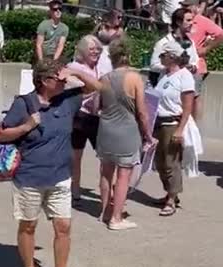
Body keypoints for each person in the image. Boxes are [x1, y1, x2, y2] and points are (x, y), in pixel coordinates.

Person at [0, 59, 101, 267]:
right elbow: (3, 135)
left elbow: (97, 87)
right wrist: (27, 126)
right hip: (30, 177)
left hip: (61, 177)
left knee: (63, 227)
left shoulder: (67, 99)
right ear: (45, 81)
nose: (65, 82)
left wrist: (74, 70)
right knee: (28, 225)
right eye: (60, 79)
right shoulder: (23, 104)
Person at [97, 40, 155, 230]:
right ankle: (116, 218)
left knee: (105, 173)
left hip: (105, 131)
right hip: (127, 132)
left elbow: (95, 106)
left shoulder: (104, 78)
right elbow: (142, 112)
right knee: (123, 176)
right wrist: (147, 135)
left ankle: (104, 211)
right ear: (128, 56)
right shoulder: (135, 78)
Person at [153, 41, 195, 217]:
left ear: (172, 57)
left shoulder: (184, 76)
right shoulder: (164, 74)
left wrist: (180, 129)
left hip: (173, 123)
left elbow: (187, 105)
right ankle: (169, 192)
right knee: (160, 162)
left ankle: (172, 198)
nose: (160, 58)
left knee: (171, 163)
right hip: (159, 122)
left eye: (162, 55)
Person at [66, 35, 102, 202]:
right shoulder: (74, 66)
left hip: (98, 117)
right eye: (91, 49)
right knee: (75, 155)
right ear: (82, 51)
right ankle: (74, 190)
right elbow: (74, 90)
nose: (95, 52)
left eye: (98, 49)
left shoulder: (101, 67)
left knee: (105, 156)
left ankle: (106, 191)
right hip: (79, 116)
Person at [181, 0, 223, 120]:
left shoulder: (202, 21)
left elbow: (220, 34)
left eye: (187, 6)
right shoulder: (180, 20)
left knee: (195, 97)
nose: (185, 8)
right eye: (183, 6)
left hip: (197, 67)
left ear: (195, 7)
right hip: (182, 66)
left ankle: (195, 126)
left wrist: (206, 49)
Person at [150, 9, 199, 83]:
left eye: (192, 20)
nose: (192, 23)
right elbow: (154, 65)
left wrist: (192, 67)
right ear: (178, 22)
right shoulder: (164, 42)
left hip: (187, 84)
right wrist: (171, 68)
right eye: (188, 20)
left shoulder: (190, 42)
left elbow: (195, 61)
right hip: (169, 85)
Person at [95, 9, 125, 76]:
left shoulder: (120, 29)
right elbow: (103, 36)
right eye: (118, 17)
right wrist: (116, 34)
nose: (120, 19)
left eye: (122, 18)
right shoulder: (102, 26)